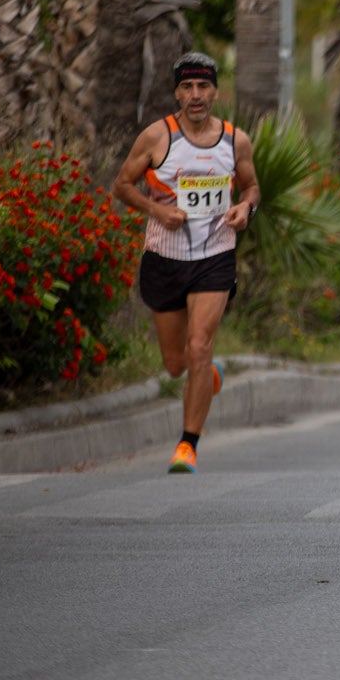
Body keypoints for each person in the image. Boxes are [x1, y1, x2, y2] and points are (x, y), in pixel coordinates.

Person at [110, 53, 259, 474]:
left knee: (198, 346)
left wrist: (246, 208)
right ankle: (205, 374)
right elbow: (122, 185)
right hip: (164, 258)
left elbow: (250, 186)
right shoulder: (157, 137)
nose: (196, 95)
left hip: (215, 255)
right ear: (177, 91)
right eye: (188, 87)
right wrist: (155, 211)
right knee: (177, 364)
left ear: (215, 91)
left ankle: (187, 445)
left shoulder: (236, 141)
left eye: (204, 87)